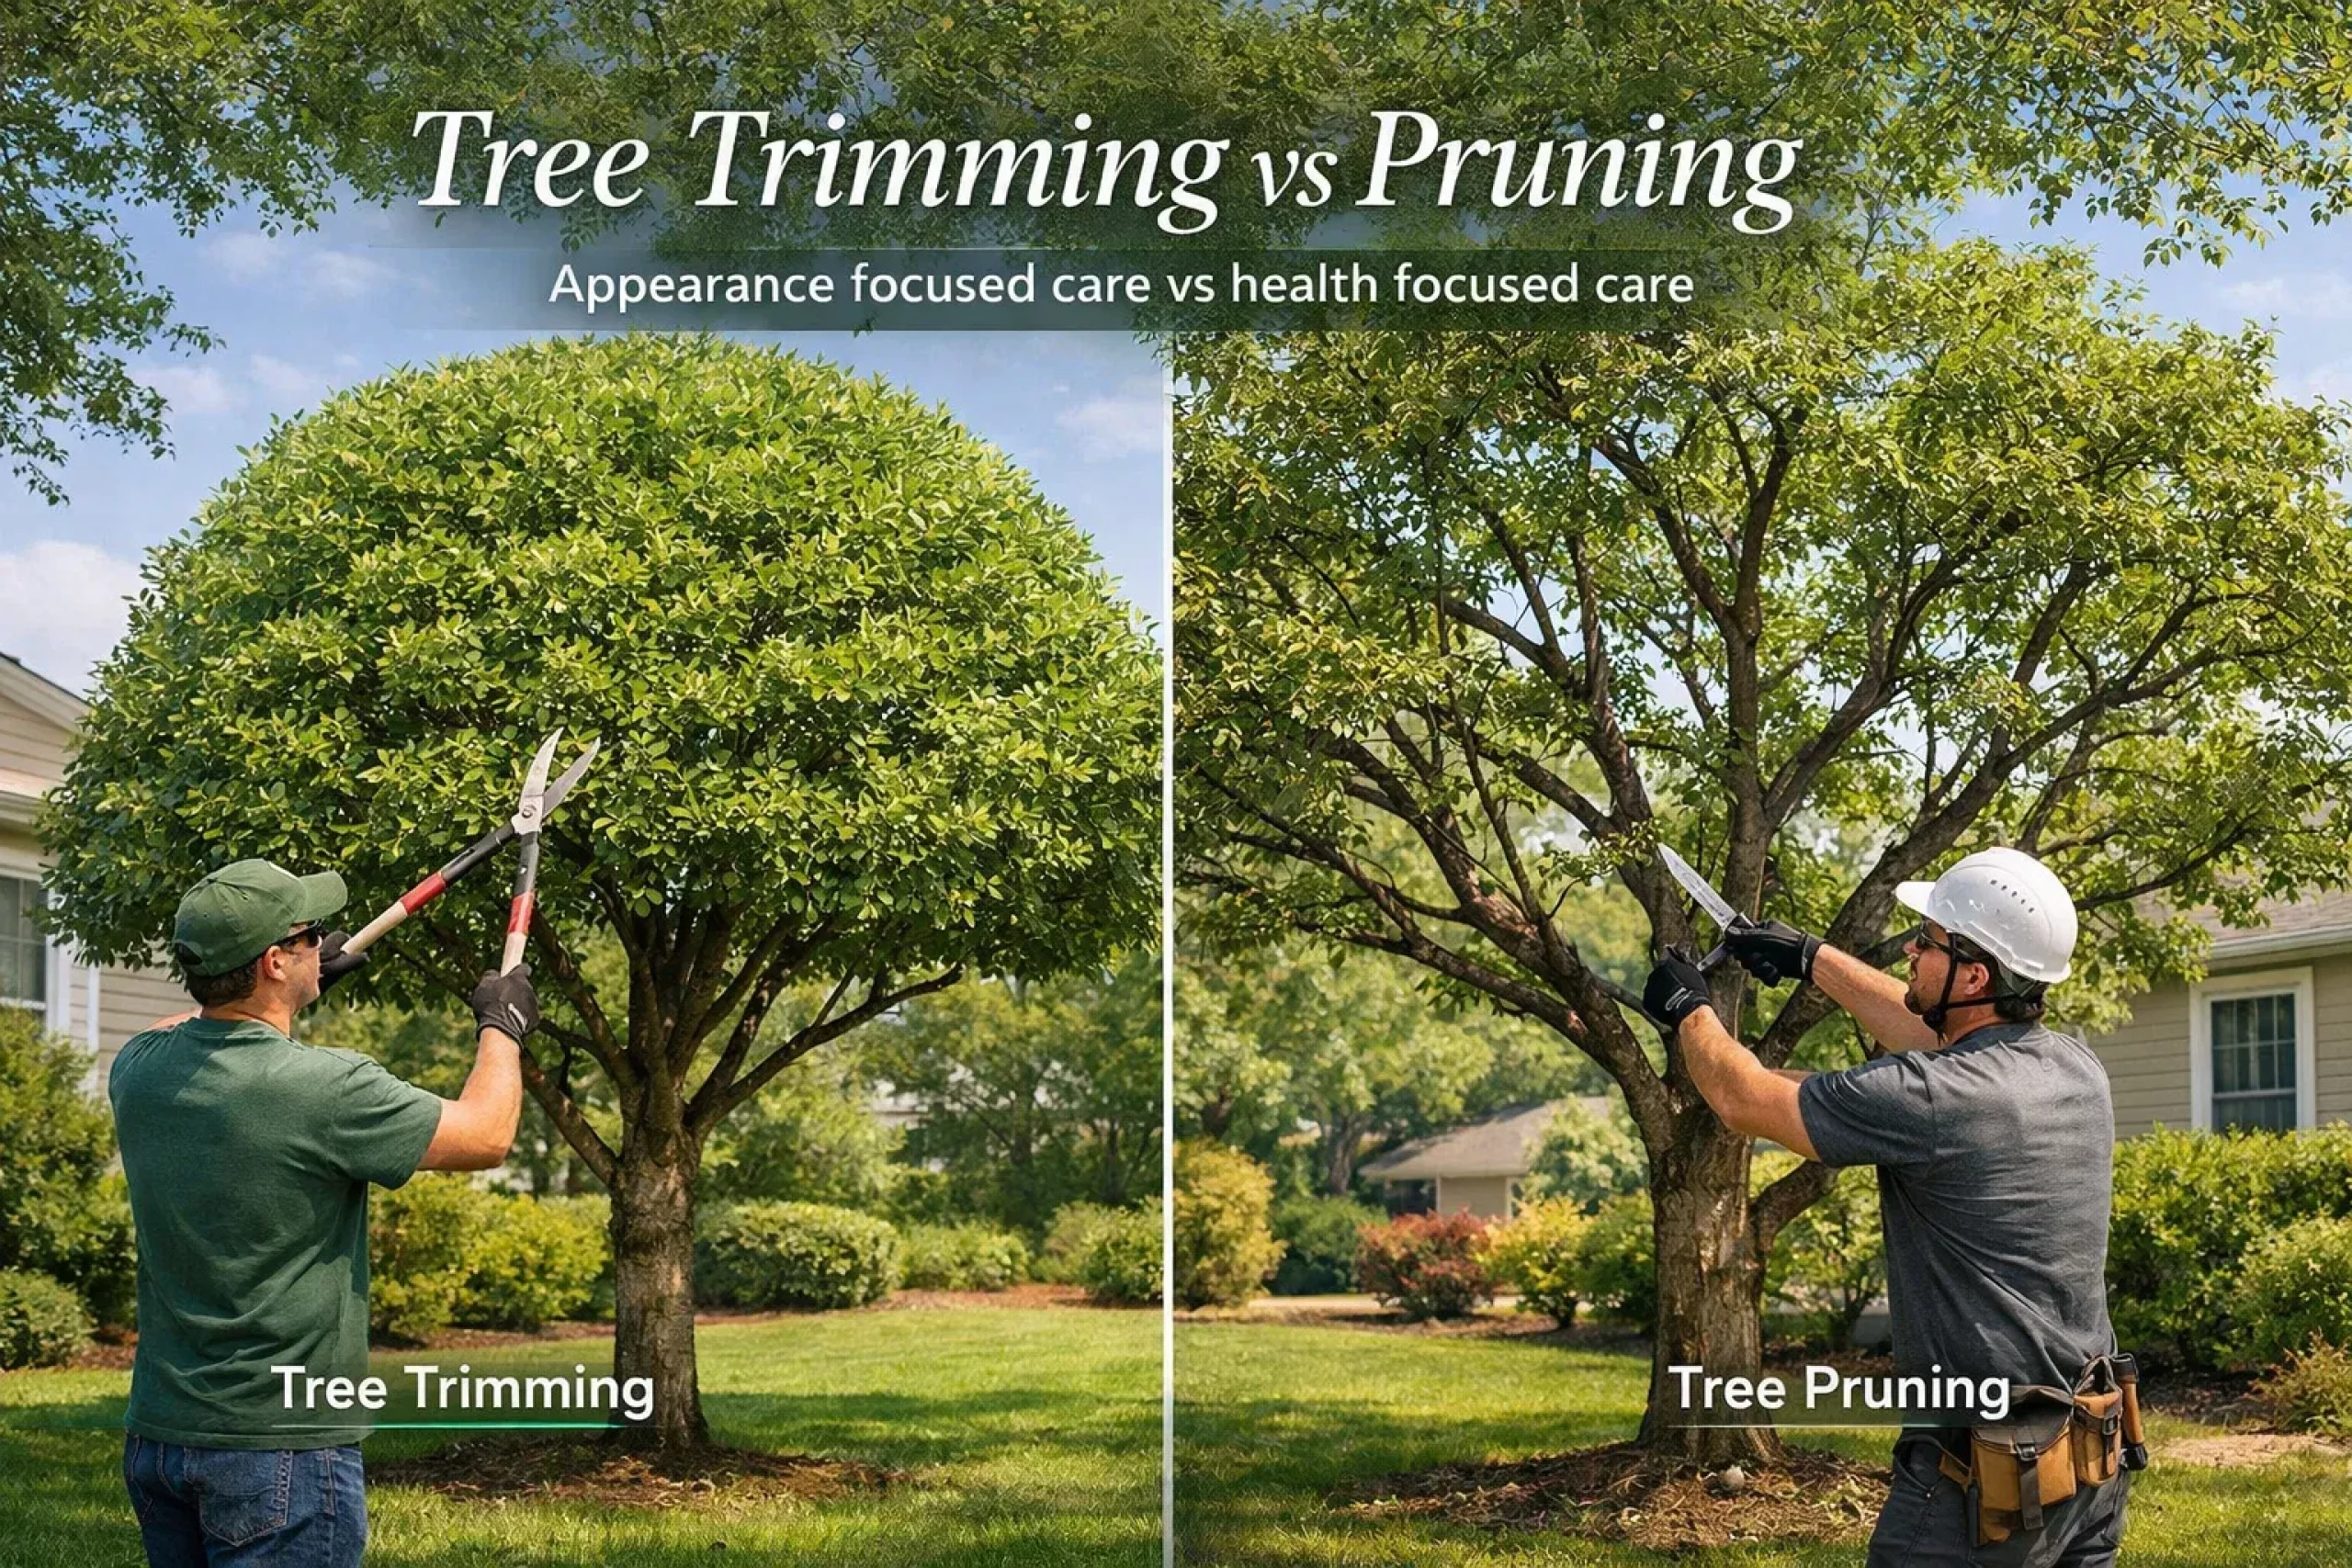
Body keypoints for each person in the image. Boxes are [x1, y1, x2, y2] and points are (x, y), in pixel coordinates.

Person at [1643, 846, 2128, 1568]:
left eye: (1926, 941)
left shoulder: (1934, 1098)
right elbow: (1936, 1037)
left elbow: (1743, 1097)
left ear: (1974, 975)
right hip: (2090, 1462)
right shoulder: (2074, 1067)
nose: (1909, 950)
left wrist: (1691, 1010)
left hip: (1981, 1491)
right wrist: (1811, 957)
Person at [109, 858, 539, 1567]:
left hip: (161, 1439)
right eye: (310, 935)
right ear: (274, 961)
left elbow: (181, 1024)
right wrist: (503, 1023)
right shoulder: (324, 1087)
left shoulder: (140, 1071)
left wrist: (286, 994)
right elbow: (486, 1134)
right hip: (280, 1449)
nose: (323, 942)